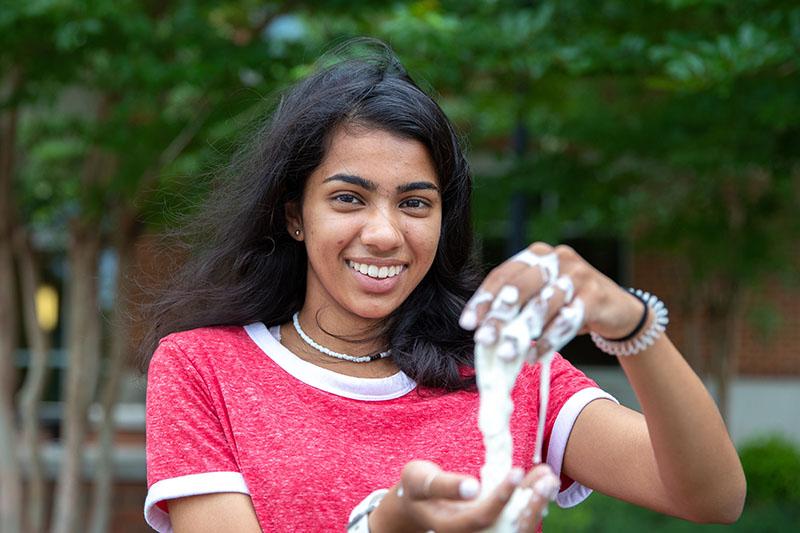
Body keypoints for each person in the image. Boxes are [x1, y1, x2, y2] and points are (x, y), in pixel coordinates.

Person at [141, 40, 745, 533]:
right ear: (294, 214)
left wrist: (629, 323)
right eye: (348, 198)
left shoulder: (504, 368)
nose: (383, 233)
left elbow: (712, 497)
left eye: (415, 203)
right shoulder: (203, 368)